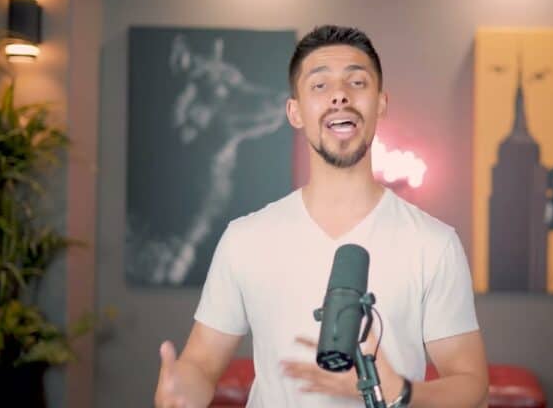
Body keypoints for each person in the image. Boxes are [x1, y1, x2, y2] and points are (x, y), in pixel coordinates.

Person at [154, 24, 489, 408]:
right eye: (319, 85)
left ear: (380, 103)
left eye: (357, 82)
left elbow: (473, 387)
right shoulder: (245, 239)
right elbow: (201, 363)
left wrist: (399, 392)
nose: (340, 96)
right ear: (295, 112)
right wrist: (183, 391)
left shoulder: (434, 244)